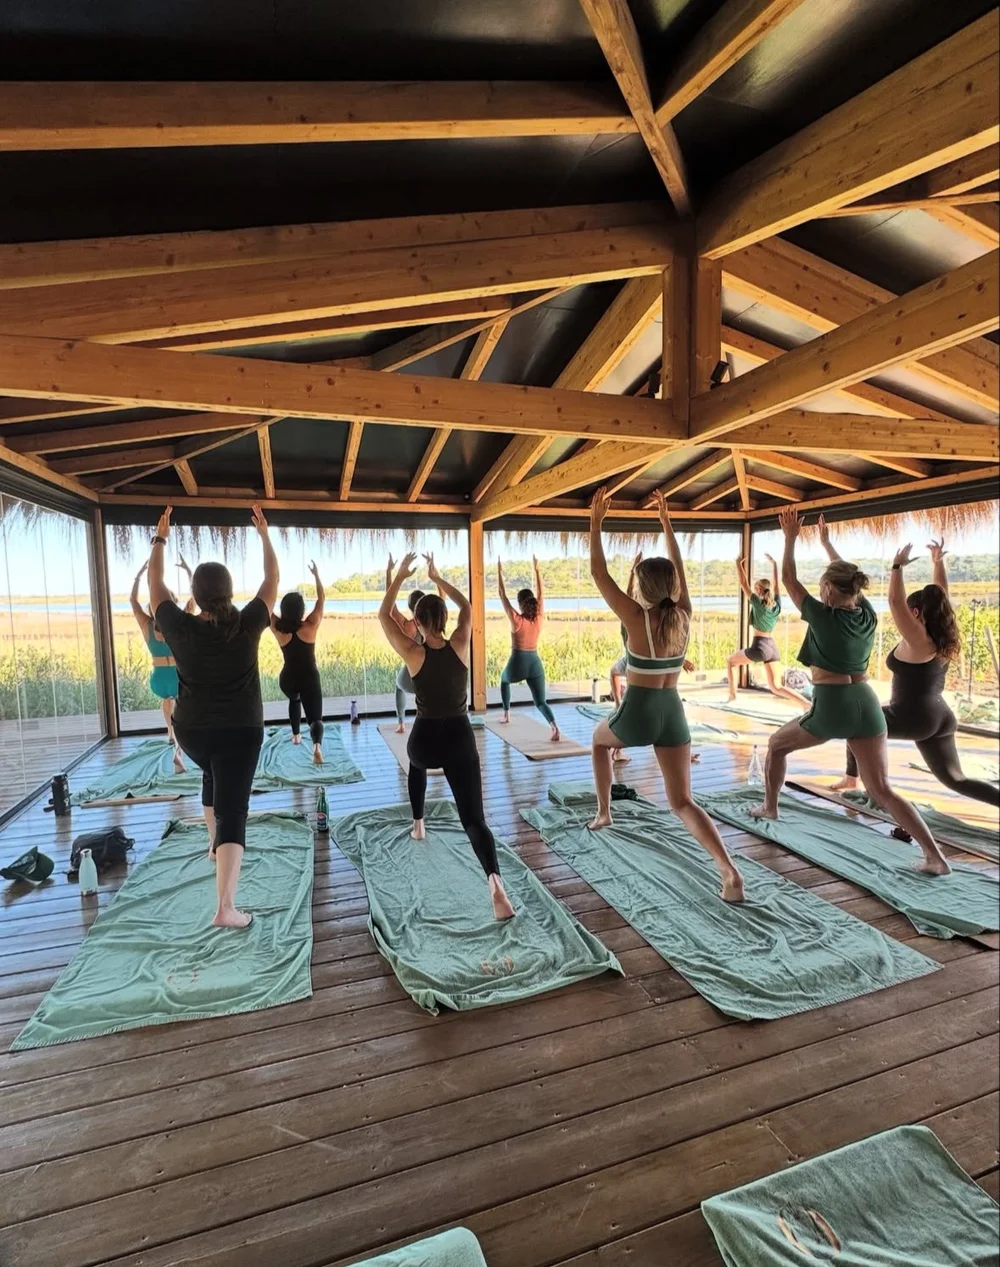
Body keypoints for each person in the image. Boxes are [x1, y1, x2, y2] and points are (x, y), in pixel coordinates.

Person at [750, 508, 950, 875]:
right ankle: (935, 857)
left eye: (825, 583)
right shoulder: (866, 612)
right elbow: (847, 578)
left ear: (827, 588)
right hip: (867, 704)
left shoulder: (823, 614)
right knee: (883, 790)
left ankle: (770, 807)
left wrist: (791, 536)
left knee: (777, 746)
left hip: (832, 705)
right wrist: (827, 545)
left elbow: (791, 580)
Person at [587, 486, 745, 903]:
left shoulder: (637, 618)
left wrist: (596, 522)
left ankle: (604, 813)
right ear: (672, 586)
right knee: (683, 801)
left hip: (638, 710)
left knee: (599, 742)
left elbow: (599, 575)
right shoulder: (684, 617)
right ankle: (729, 871)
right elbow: (681, 571)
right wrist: (667, 523)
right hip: (673, 713)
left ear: (643, 587)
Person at [148, 503, 280, 928]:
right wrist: (263, 536)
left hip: (193, 735)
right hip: (239, 733)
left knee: (211, 774)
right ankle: (226, 907)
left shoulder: (180, 627)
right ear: (227, 590)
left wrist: (160, 539)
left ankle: (212, 844)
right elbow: (271, 581)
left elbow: (156, 585)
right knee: (234, 811)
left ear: (198, 594)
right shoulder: (247, 623)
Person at [379, 552, 515, 921]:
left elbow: (383, 613)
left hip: (425, 741)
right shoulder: (460, 643)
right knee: (474, 820)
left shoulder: (412, 652)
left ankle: (418, 824)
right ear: (444, 620)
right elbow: (467, 605)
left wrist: (399, 576)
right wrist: (439, 578)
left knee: (415, 764)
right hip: (459, 738)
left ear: (420, 622)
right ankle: (495, 884)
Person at [832, 536, 998, 807]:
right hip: (941, 716)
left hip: (914, 718)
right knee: (957, 780)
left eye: (910, 612)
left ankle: (870, 788)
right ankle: (865, 784)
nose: (905, 616)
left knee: (857, 725)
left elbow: (896, 602)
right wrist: (938, 562)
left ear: (917, 612)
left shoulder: (919, 639)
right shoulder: (941, 633)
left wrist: (897, 568)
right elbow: (941, 594)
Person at [129, 554, 195, 772]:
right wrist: (188, 572)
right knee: (179, 706)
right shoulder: (179, 622)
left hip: (159, 679)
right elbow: (195, 598)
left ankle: (169, 731)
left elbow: (133, 601)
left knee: (167, 701)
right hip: (177, 676)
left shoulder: (147, 626)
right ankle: (178, 748)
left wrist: (138, 577)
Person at [726, 554, 811, 708]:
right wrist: (773, 564)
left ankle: (732, 696)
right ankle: (806, 704)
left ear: (759, 590)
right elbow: (777, 585)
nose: (754, 590)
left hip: (759, 647)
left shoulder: (758, 604)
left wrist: (738, 563)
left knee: (730, 661)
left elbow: (743, 583)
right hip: (772, 647)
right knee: (776, 687)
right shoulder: (776, 605)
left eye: (756, 588)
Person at [497, 555, 560, 741]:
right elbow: (542, 594)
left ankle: (506, 715)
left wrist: (499, 572)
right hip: (535, 663)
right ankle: (555, 727)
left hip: (518, 661)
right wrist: (537, 570)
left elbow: (501, 594)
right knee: (540, 701)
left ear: (520, 603)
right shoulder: (539, 617)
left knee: (504, 680)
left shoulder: (517, 620)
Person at [269, 560, 326, 764]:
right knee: (315, 718)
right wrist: (317, 575)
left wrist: (274, 582)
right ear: (302, 610)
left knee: (294, 700)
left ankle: (295, 736)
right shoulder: (310, 626)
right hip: (309, 678)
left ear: (284, 609)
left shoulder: (278, 629)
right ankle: (317, 747)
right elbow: (321, 599)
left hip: (287, 680)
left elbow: (267, 606)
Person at [386, 557, 427, 733]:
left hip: (410, 674)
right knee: (423, 692)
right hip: (427, 673)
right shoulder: (431, 624)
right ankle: (422, 720)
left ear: (410, 607)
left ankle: (401, 723)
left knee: (398, 685)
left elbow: (390, 607)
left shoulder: (407, 625)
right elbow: (443, 598)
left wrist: (390, 573)